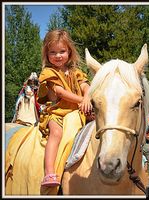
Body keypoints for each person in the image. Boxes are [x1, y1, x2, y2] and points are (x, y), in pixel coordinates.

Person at [37, 29, 93, 187]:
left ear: (69, 51)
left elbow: (85, 86)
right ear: (47, 54)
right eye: (53, 52)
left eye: (62, 51)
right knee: (56, 133)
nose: (58, 56)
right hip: (58, 114)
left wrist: (88, 97)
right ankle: (49, 172)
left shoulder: (76, 72)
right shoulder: (48, 72)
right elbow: (60, 93)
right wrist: (82, 99)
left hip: (79, 112)